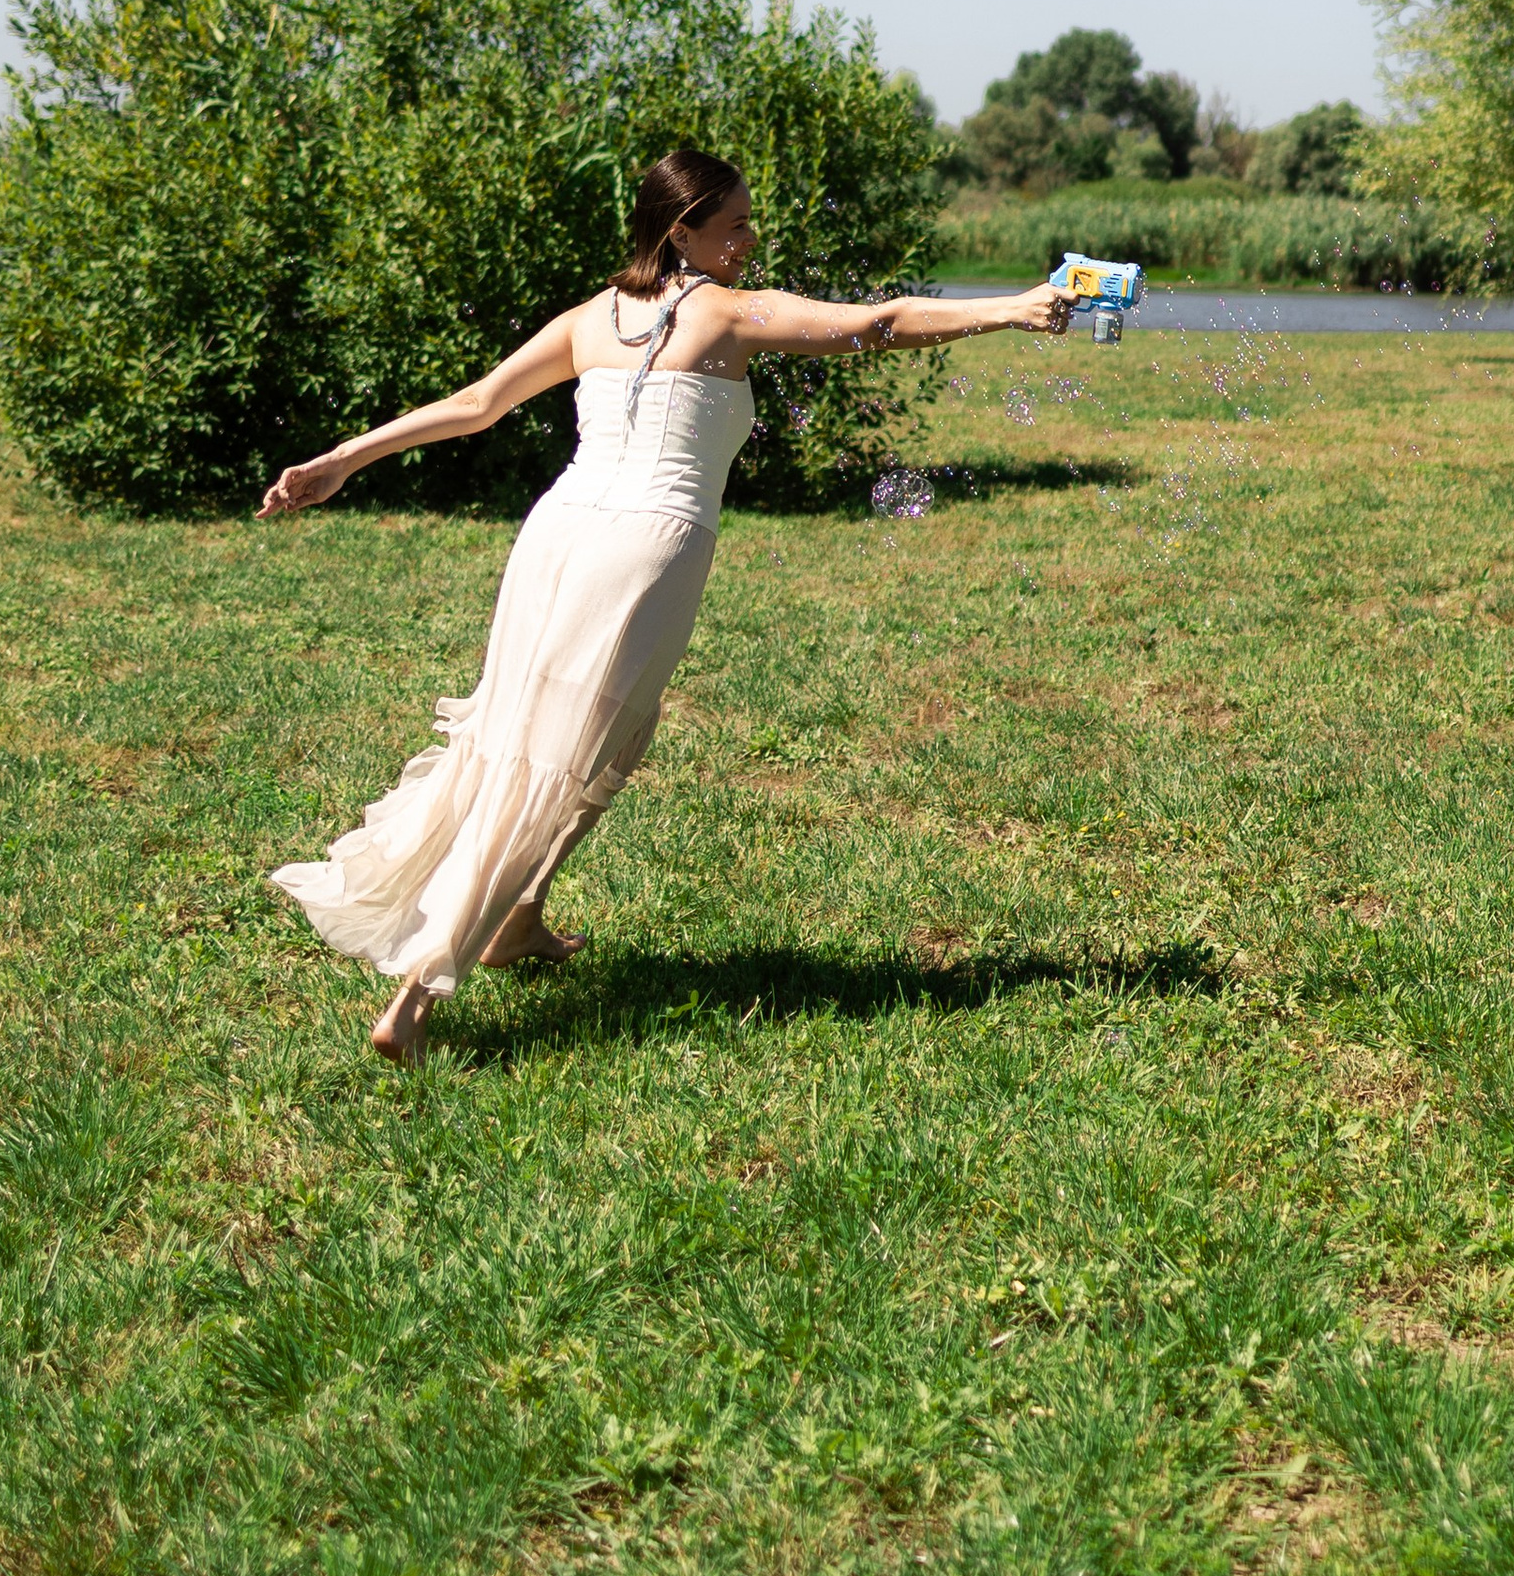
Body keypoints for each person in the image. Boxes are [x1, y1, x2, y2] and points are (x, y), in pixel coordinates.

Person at [261, 144, 1073, 1064]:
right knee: (559, 756)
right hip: (647, 544)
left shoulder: (592, 316)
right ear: (680, 230)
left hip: (557, 531)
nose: (751, 240)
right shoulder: (727, 314)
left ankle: (518, 920)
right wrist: (1012, 307)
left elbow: (477, 403)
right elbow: (881, 322)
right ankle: (416, 997)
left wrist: (341, 460)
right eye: (735, 226)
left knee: (540, 735)